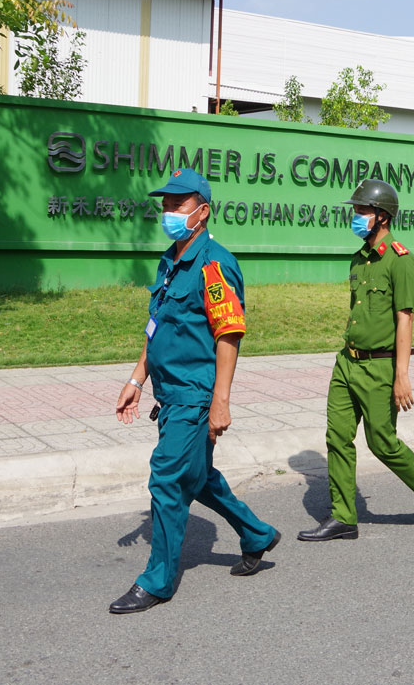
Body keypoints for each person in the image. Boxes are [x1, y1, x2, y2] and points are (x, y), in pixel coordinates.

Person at [109, 169, 279, 615]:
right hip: (169, 393)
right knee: (198, 476)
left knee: (167, 478)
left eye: (177, 204)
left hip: (195, 396)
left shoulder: (214, 264)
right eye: (165, 204)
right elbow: (156, 326)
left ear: (202, 212)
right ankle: (257, 534)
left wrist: (220, 401)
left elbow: (229, 335)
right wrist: (136, 380)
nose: (168, 211)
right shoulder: (170, 260)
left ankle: (158, 581)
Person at [299, 179, 414, 541]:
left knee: (382, 442)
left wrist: (402, 375)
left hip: (380, 367)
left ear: (382, 216)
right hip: (347, 363)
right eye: (355, 210)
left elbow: (404, 319)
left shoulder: (401, 261)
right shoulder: (359, 258)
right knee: (337, 437)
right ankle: (344, 517)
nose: (355, 216)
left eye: (361, 211)